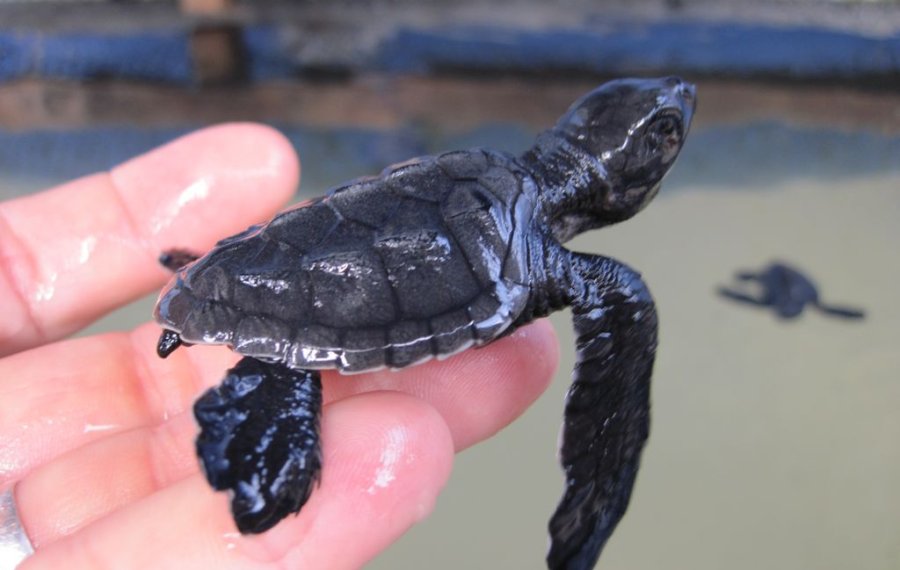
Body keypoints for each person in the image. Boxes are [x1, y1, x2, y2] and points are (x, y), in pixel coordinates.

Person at [0, 124, 558, 569]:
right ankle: (259, 360)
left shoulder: (486, 168)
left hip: (255, 267)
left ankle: (215, 289)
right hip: (302, 302)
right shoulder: (548, 247)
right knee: (284, 462)